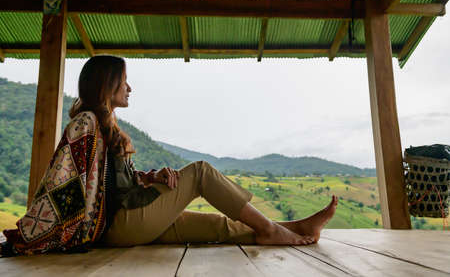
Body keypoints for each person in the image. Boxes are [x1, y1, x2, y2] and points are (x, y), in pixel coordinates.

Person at [1, 55, 338, 257]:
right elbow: (67, 182)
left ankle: (294, 228)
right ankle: (273, 230)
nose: (129, 88)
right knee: (202, 171)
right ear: (107, 83)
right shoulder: (87, 122)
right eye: (124, 81)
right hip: (118, 227)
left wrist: (150, 177)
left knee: (218, 226)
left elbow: (112, 184)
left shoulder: (104, 125)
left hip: (127, 225)